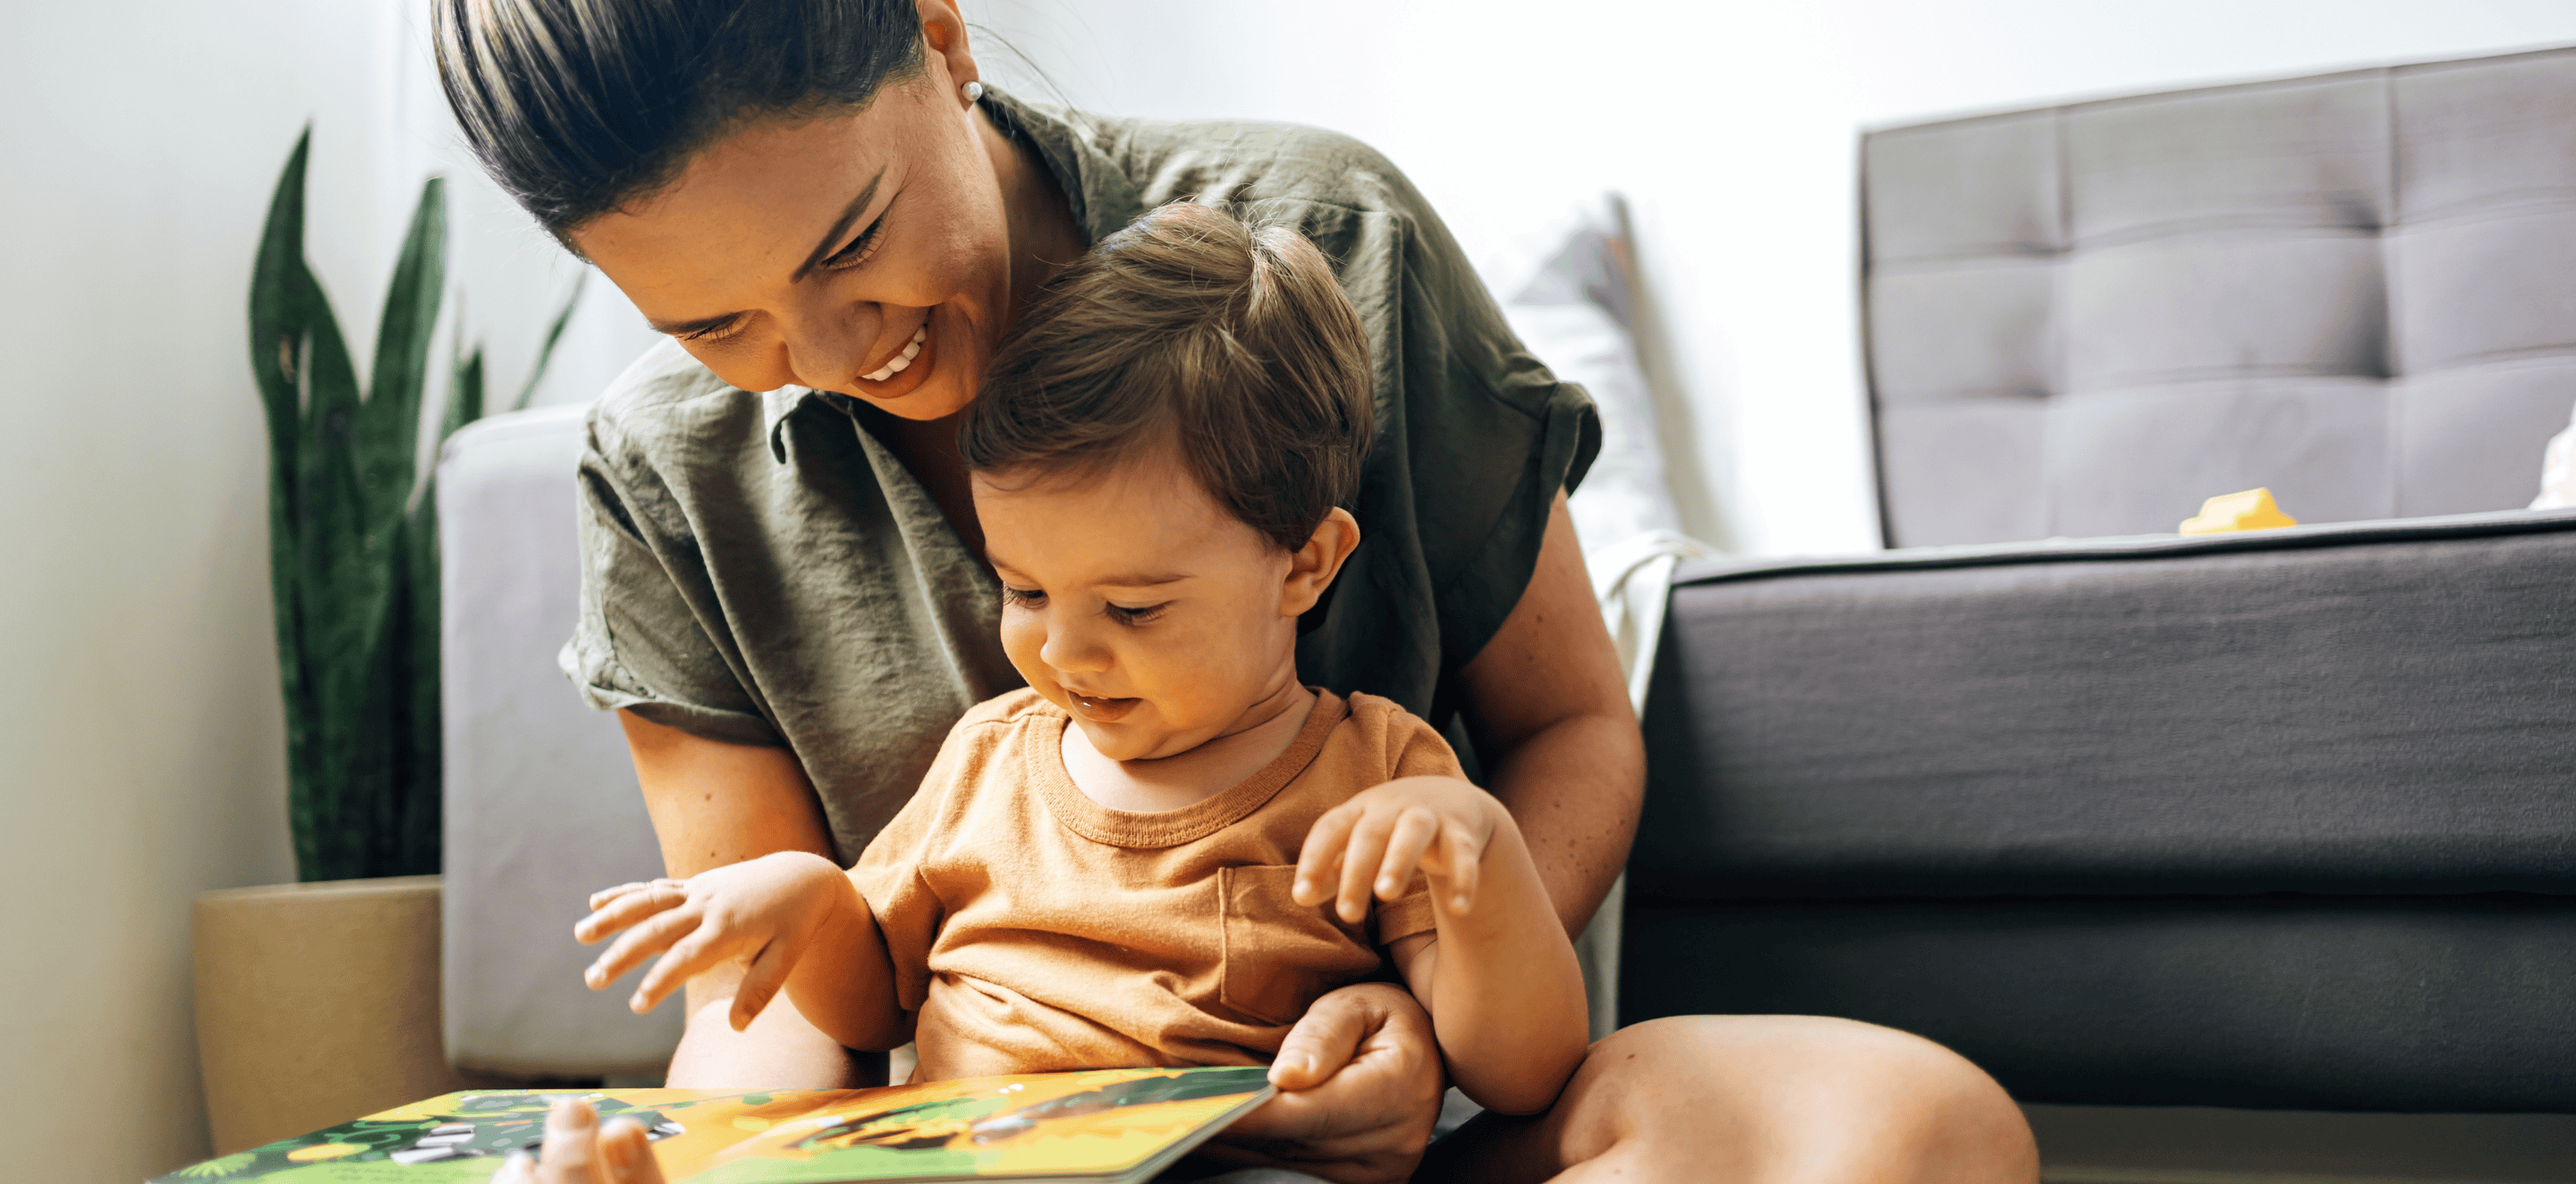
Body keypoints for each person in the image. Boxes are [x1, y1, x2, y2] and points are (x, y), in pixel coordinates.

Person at [433, 0, 2039, 1180]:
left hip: (1363, 1127)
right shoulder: (662, 472)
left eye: (854, 241)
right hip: (989, 1152)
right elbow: (787, 998)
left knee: (1916, 1128)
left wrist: (1437, 999)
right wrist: (730, 1156)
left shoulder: (1329, 243)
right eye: (719, 326)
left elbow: (1567, 728)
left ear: (940, 38)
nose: (843, 356)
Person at [572, 205, 1592, 1137]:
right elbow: (877, 998)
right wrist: (806, 903)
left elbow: (1522, 1074)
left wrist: (1487, 862)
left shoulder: (1379, 775)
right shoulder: (990, 758)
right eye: (1023, 590)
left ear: (1307, 562)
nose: (1064, 653)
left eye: (1134, 608)